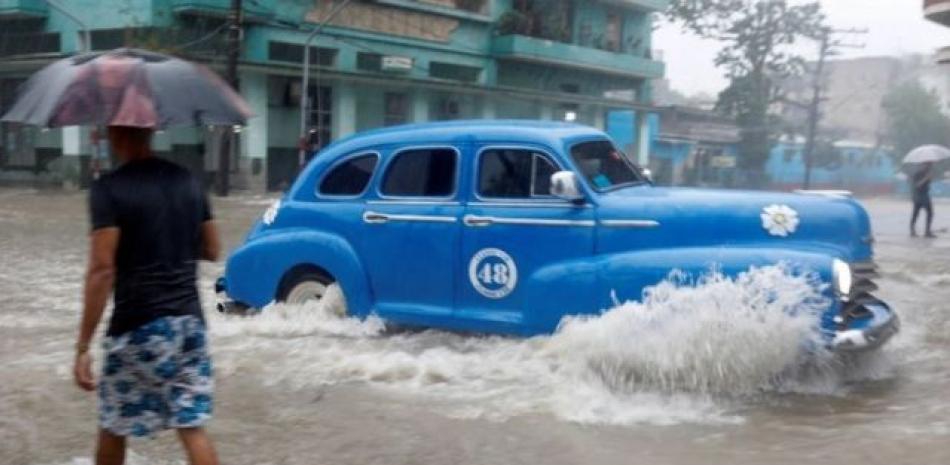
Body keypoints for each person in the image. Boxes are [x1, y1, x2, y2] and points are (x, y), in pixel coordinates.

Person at [72, 126, 222, 465]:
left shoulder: (108, 189)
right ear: (150, 132)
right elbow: (213, 249)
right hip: (190, 326)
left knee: (113, 424)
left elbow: (101, 269)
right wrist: (170, 240)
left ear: (116, 135)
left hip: (138, 324)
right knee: (192, 426)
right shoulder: (188, 180)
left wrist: (82, 346)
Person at [910, 161, 936, 238]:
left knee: (930, 212)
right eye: (927, 165)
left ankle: (927, 231)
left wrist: (930, 178)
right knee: (916, 213)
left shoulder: (927, 173)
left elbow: (927, 185)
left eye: (929, 165)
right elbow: (917, 185)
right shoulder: (917, 173)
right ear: (922, 164)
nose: (928, 167)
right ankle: (912, 230)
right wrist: (926, 178)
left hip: (925, 195)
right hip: (918, 196)